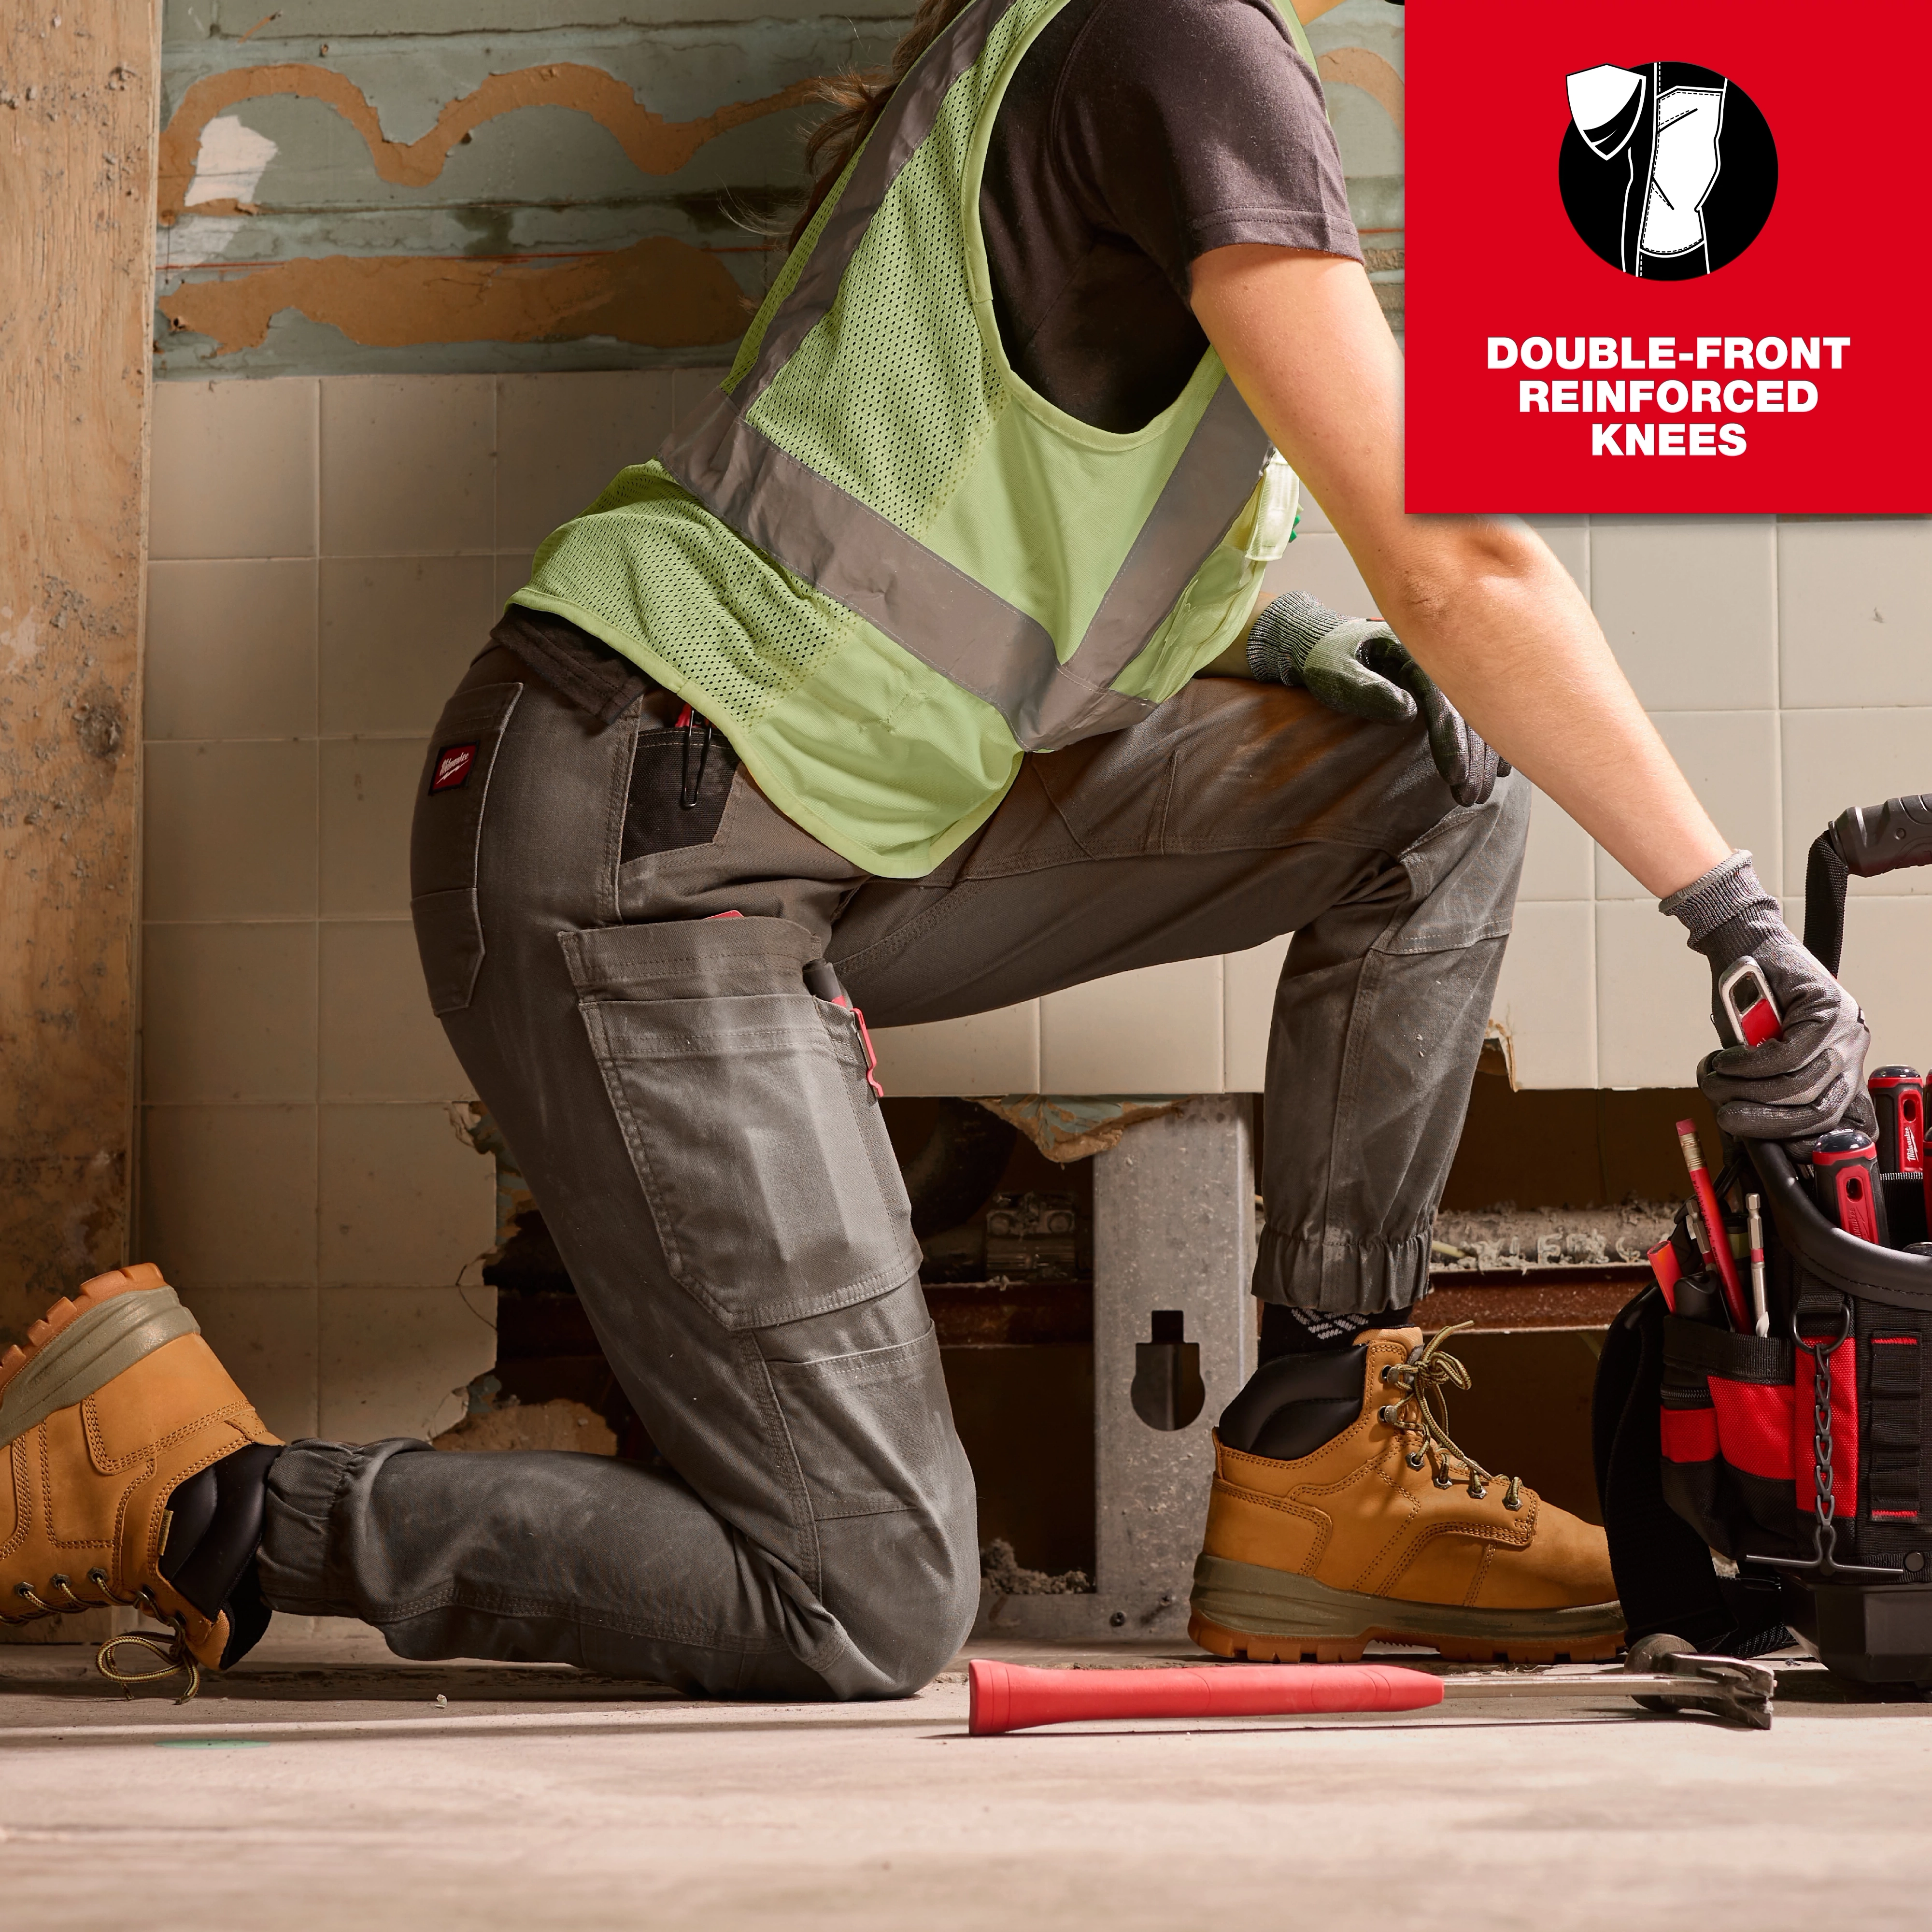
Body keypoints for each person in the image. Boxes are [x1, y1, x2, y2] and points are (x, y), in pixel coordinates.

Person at [0, 0, 1866, 1696]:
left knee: (1436, 779)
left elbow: (1004, 530)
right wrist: (1735, 917)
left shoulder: (1137, 51)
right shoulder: (1179, 41)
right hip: (641, 848)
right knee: (867, 1596)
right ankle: (198, 1500)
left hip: (816, 833)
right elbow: (1458, 558)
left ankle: (1320, 1445)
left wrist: (1285, 640)